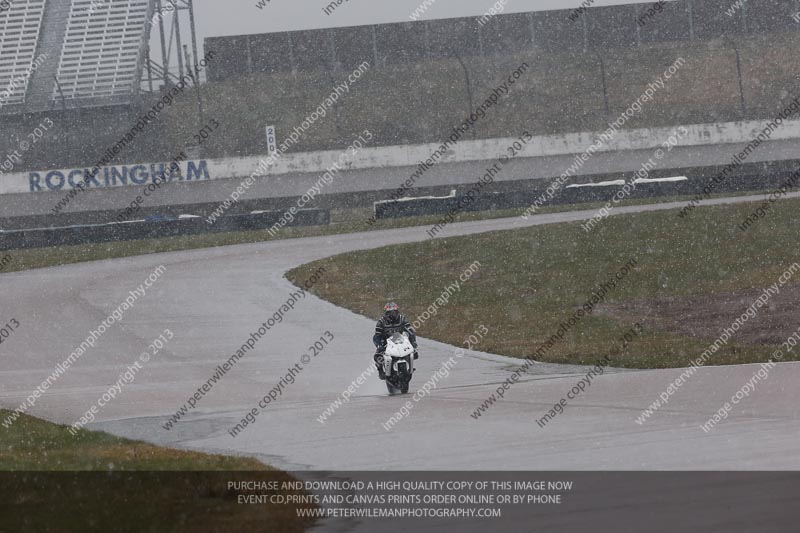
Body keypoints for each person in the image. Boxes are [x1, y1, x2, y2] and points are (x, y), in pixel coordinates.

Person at [373, 302, 417, 380]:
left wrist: (413, 341)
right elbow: (377, 336)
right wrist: (379, 345)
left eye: (394, 312)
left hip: (399, 339)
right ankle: (380, 371)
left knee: (414, 352)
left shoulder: (402, 318)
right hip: (386, 341)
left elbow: (410, 331)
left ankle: (410, 367)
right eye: (390, 313)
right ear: (386, 313)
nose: (392, 315)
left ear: (397, 312)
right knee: (378, 356)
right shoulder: (381, 322)